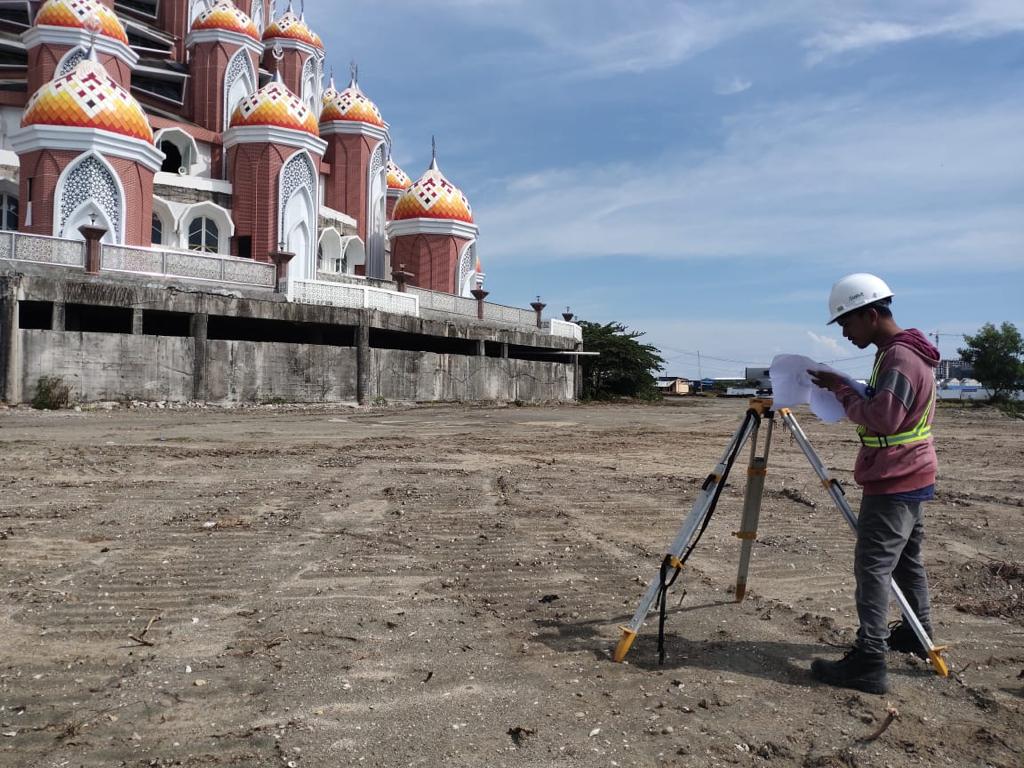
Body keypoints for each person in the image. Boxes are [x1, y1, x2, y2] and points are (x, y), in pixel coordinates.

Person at [806, 273, 940, 695]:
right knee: (905, 560)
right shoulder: (901, 353)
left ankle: (869, 660)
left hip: (895, 476)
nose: (844, 333)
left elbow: (883, 418)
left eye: (847, 323)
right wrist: (853, 387)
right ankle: (916, 633)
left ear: (871, 314)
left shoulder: (899, 357)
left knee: (873, 566)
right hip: (910, 471)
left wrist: (844, 392)